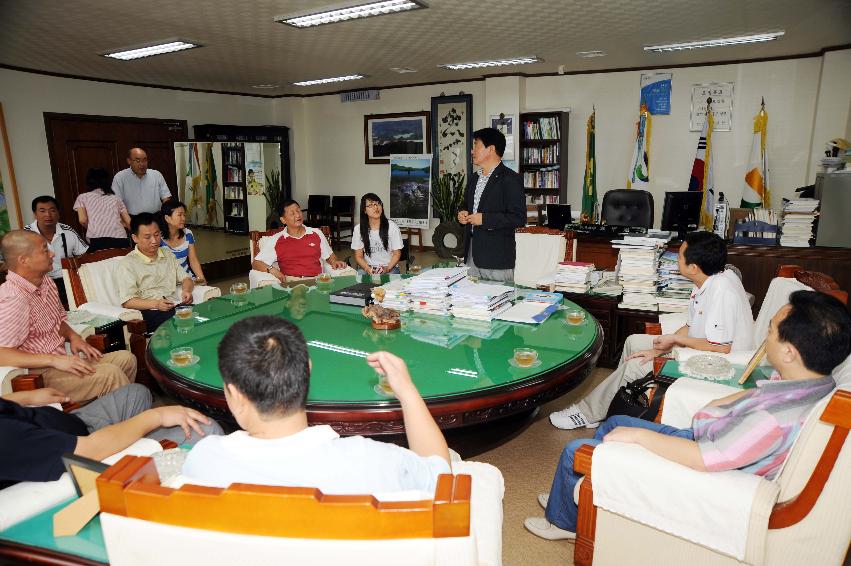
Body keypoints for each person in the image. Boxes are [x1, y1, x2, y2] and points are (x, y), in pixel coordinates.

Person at [526, 290, 851, 541]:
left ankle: (564, 522)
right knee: (613, 424)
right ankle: (579, 496)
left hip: (712, 473)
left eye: (771, 330)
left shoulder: (774, 417)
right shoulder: (814, 384)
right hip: (714, 443)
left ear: (789, 351)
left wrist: (640, 436)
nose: (765, 337)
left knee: (575, 451)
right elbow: (757, 397)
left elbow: (702, 459)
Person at [183, 316, 451, 494]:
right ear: (307, 371)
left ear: (234, 394)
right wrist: (407, 391)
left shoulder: (203, 459)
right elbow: (442, 481)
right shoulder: (373, 461)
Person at [550, 231, 754, 429]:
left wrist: (673, 341)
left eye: (680, 257)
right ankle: (614, 407)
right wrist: (659, 349)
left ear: (693, 267)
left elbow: (720, 348)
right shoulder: (705, 279)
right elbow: (692, 326)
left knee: (635, 367)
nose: (676, 261)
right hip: (703, 348)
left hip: (719, 365)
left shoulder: (722, 293)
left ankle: (586, 413)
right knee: (633, 342)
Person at [0, 231, 136, 402]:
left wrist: (74, 337)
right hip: (39, 374)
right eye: (44, 250)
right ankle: (130, 424)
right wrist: (54, 360)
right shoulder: (13, 298)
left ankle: (107, 414)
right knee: (110, 375)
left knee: (126, 359)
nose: (52, 253)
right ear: (23, 260)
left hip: (62, 361)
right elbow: (2, 353)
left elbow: (57, 322)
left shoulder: (46, 282)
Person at [0, 383, 221, 488]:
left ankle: (135, 431)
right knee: (207, 429)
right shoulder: (7, 439)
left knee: (137, 392)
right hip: (93, 451)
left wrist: (26, 397)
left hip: (74, 422)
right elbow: (90, 450)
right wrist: (157, 415)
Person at [457, 127, 525, 283]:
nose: (472, 151)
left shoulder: (510, 179)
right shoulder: (474, 178)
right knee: (470, 301)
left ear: (491, 149)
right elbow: (465, 205)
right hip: (471, 254)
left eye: (476, 145)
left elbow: (518, 218)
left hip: (497, 259)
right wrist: (462, 214)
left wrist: (485, 219)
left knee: (499, 303)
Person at [116, 213, 194, 332]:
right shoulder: (128, 264)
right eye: (147, 237)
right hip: (150, 311)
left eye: (157, 235)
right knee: (184, 324)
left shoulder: (167, 254)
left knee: (204, 317)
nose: (154, 241)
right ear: (135, 238)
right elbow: (128, 301)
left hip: (174, 305)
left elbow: (186, 278)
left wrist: (186, 290)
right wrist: (156, 304)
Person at [251, 200, 347, 281]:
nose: (298, 215)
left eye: (298, 211)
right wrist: (271, 270)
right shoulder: (277, 239)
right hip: (292, 282)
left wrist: (335, 262)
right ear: (283, 220)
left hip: (316, 280)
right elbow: (256, 263)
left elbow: (330, 256)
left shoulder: (316, 233)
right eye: (292, 213)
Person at [24, 196, 88, 309]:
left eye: (52, 210)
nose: (48, 215)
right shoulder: (26, 234)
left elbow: (83, 255)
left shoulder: (68, 231)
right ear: (35, 214)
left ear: (58, 213)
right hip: (40, 281)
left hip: (68, 279)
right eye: (42, 211)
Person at [73, 167, 131, 252]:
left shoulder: (82, 198)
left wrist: (93, 226)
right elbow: (129, 223)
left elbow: (83, 220)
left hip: (97, 239)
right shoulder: (116, 198)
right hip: (120, 239)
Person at [351, 193, 403, 275]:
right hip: (368, 267)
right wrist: (367, 268)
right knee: (359, 275)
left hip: (389, 267)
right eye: (371, 205)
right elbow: (358, 256)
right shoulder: (358, 229)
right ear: (364, 210)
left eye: (378, 204)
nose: (376, 207)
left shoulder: (392, 226)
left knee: (391, 278)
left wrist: (387, 268)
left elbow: (397, 254)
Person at [157, 200, 207, 285]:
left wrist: (202, 280)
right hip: (168, 283)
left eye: (184, 215)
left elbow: (193, 260)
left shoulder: (187, 233)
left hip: (188, 279)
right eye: (179, 215)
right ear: (167, 218)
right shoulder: (157, 238)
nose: (183, 218)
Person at [111, 148, 172, 217]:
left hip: (156, 217)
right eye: (138, 160)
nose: (142, 164)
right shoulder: (120, 177)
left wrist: (164, 215)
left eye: (144, 160)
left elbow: (166, 197)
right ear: (129, 161)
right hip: (132, 219)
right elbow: (117, 203)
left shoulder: (156, 175)